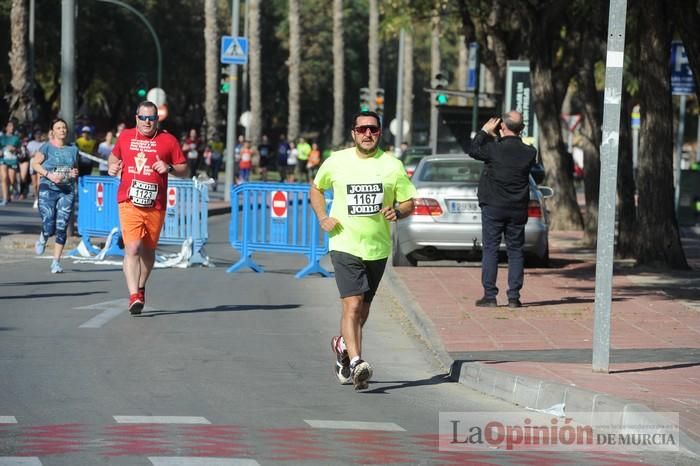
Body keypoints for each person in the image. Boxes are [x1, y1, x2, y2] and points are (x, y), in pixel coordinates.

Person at [310, 111, 416, 390]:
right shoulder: (337, 161)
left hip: (377, 248)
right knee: (352, 303)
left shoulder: (392, 165)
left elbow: (409, 202)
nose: (367, 134)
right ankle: (357, 362)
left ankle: (343, 346)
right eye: (362, 129)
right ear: (353, 133)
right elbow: (316, 189)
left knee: (363, 310)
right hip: (344, 243)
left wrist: (398, 211)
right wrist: (323, 217)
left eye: (373, 129)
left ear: (380, 133)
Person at [108, 101, 187, 315]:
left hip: (156, 204)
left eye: (151, 118)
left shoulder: (168, 140)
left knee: (148, 251)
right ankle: (133, 295)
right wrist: (112, 167)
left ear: (157, 119)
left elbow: (183, 168)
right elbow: (114, 157)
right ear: (136, 118)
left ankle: (141, 287)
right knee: (132, 248)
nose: (147, 122)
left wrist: (169, 167)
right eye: (143, 117)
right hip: (129, 201)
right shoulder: (125, 136)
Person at [468, 111, 537, 309]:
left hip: (493, 206)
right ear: (522, 129)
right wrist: (498, 136)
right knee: (516, 251)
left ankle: (490, 296)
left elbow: (473, 150)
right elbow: (512, 152)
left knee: (491, 249)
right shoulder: (530, 152)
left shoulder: (493, 149)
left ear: (502, 127)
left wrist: (484, 131)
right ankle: (514, 297)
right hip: (517, 207)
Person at [32, 118, 79, 273]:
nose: (62, 130)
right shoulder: (46, 147)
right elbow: (35, 164)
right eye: (58, 128)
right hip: (48, 188)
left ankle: (56, 262)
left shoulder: (73, 149)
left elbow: (74, 169)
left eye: (64, 127)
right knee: (48, 223)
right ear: (53, 131)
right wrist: (50, 175)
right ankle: (44, 236)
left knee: (61, 226)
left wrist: (74, 173)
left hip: (67, 190)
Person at [0, 120, 21, 206]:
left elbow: (20, 149)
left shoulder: (16, 138)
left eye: (12, 126)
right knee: (4, 178)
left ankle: (10, 192)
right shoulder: (2, 138)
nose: (11, 128)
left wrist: (15, 149)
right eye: (9, 126)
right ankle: (5, 199)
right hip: (3, 160)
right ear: (6, 128)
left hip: (13, 160)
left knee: (11, 180)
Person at [26, 128, 47, 208]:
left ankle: (39, 199)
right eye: (37, 134)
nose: (38, 136)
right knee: (34, 184)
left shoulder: (45, 144)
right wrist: (33, 154)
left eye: (39, 134)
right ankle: (36, 197)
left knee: (39, 184)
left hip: (41, 165)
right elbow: (28, 155)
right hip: (32, 164)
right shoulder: (30, 143)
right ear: (34, 135)